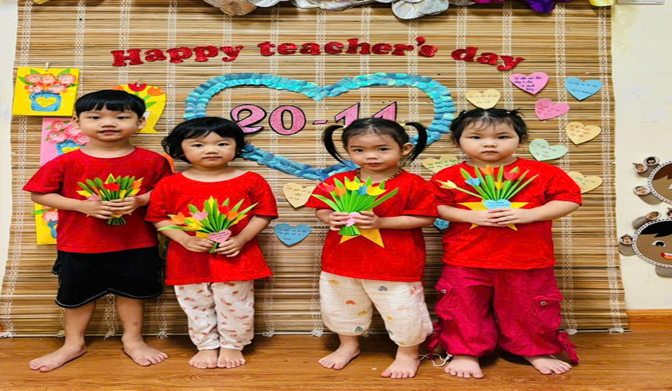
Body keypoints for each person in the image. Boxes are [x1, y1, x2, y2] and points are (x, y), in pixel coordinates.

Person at [426, 108, 581, 379]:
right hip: (466, 258)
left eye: (502, 136)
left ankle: (535, 349)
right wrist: (469, 216)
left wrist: (531, 214)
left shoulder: (542, 172)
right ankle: (465, 352)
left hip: (528, 259)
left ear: (521, 139)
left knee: (529, 307)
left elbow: (570, 199)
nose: (489, 143)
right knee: (463, 307)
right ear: (457, 141)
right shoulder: (448, 177)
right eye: (476, 137)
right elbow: (435, 207)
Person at [24, 89, 172, 372]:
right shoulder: (65, 161)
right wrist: (82, 206)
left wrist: (140, 200)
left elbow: (166, 192)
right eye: (95, 117)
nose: (108, 123)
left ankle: (133, 340)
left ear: (140, 121)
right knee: (76, 296)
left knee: (132, 293)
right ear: (76, 122)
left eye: (121, 117)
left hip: (136, 242)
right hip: (79, 244)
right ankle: (73, 343)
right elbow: (39, 194)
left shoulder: (153, 161)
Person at [305, 118, 435, 379]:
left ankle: (408, 353)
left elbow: (426, 218)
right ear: (348, 151)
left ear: (405, 149)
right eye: (359, 150)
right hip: (342, 261)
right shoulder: (339, 181)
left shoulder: (414, 183)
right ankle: (348, 345)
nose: (371, 156)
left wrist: (381, 222)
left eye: (382, 149)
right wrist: (330, 218)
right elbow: (321, 209)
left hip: (396, 264)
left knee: (403, 310)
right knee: (341, 306)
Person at [147, 117, 278, 370]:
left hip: (236, 256)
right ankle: (206, 345)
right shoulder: (169, 184)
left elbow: (264, 214)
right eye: (198, 145)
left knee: (236, 304)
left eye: (222, 143)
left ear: (237, 147)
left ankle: (232, 345)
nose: (211, 150)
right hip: (187, 258)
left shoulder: (252, 180)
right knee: (195, 304)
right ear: (179, 150)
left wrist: (241, 239)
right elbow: (157, 218)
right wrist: (184, 239)